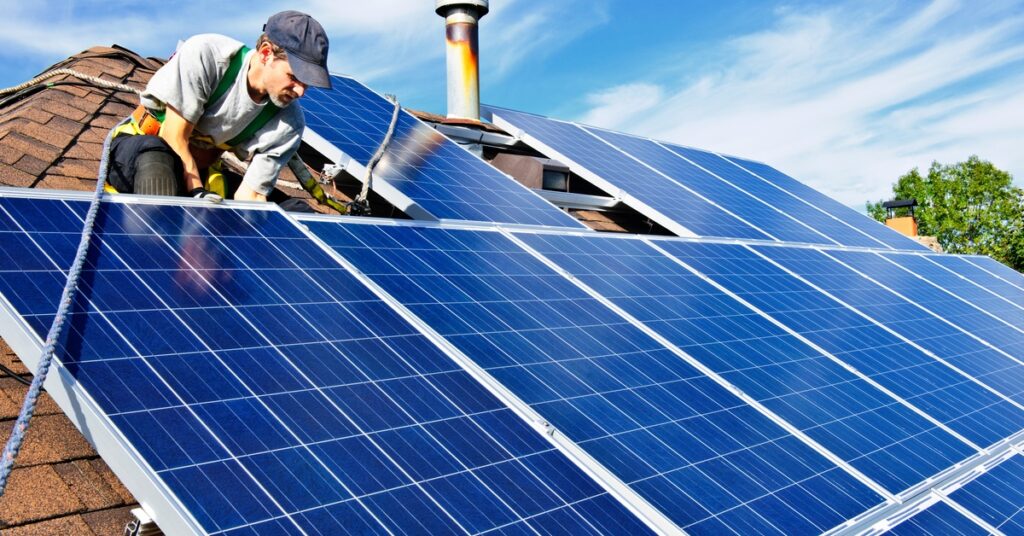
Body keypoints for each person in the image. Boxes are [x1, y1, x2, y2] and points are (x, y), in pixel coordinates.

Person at [107, 10, 331, 205]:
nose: (300, 92)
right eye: (294, 77)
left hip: (203, 173)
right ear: (265, 54)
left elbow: (251, 196)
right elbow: (173, 137)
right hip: (140, 154)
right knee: (157, 158)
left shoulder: (289, 122)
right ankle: (155, 237)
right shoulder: (208, 56)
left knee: (290, 211)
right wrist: (196, 193)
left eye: (307, 83)